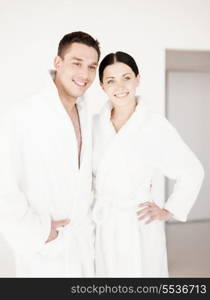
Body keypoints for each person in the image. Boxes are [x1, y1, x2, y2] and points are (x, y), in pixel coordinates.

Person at [92, 51, 204, 277]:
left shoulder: (155, 125)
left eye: (126, 77)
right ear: (102, 86)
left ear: (138, 79)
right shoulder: (94, 124)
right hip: (103, 222)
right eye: (111, 80)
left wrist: (169, 210)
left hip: (139, 222)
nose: (120, 86)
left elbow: (192, 170)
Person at [0, 31, 100, 277]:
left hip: (82, 245)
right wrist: (40, 232)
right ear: (58, 63)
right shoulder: (23, 114)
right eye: (77, 63)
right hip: (44, 250)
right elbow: (4, 184)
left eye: (92, 67)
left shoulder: (87, 116)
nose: (85, 75)